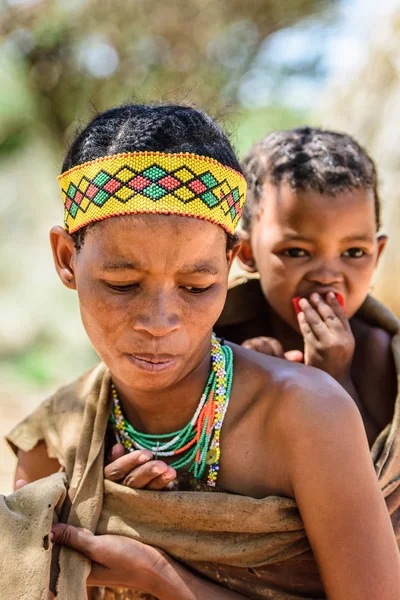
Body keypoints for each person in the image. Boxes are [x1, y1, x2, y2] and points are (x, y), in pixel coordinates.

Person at [8, 107, 400, 600]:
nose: (159, 321)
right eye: (122, 284)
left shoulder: (307, 416)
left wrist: (162, 577)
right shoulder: (51, 445)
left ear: (232, 263)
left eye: (197, 286)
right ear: (67, 259)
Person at [216, 126, 397, 447]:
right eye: (297, 252)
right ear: (246, 253)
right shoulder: (220, 338)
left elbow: (380, 472)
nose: (327, 276)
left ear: (376, 255)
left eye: (353, 253)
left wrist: (333, 379)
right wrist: (244, 383)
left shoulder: (376, 352)